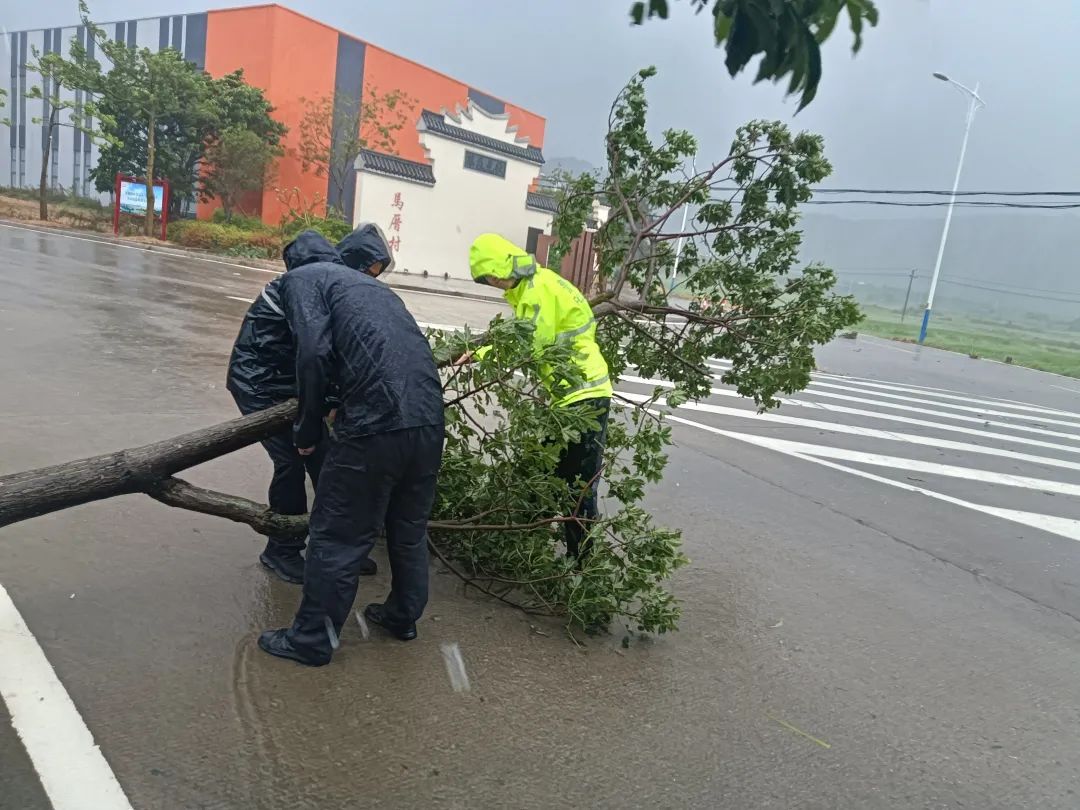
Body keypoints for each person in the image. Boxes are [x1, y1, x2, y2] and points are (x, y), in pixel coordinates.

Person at [258, 231, 445, 667]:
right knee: (408, 528)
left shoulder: (303, 281)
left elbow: (313, 355)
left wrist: (306, 431)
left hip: (375, 425)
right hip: (429, 421)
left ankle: (310, 641)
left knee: (338, 535)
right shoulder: (373, 289)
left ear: (292, 265)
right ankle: (402, 617)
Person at [226, 227, 392, 584]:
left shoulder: (327, 286)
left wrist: (330, 401)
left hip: (290, 383)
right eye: (366, 271)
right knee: (290, 460)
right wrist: (309, 421)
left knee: (328, 461)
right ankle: (281, 550)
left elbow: (333, 354)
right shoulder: (302, 285)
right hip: (259, 382)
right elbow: (314, 354)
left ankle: (332, 545)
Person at [462, 233, 612, 559]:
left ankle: (584, 571)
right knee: (543, 473)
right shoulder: (538, 284)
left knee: (578, 486)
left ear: (501, 269)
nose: (493, 283)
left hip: (584, 397)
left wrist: (482, 354)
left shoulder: (537, 293)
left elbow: (530, 346)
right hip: (570, 398)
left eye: (490, 277)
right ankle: (522, 545)